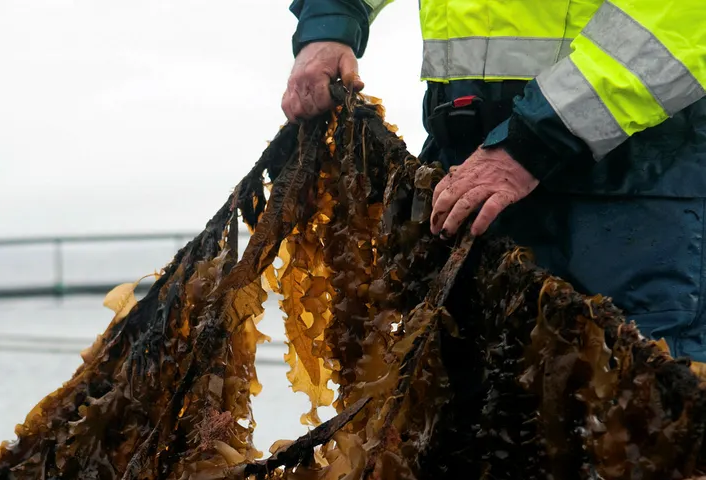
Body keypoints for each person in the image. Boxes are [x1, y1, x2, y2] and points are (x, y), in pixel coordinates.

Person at [282, 0, 706, 362]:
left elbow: (682, 19)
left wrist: (542, 134)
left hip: (637, 185)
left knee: (638, 416)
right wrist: (332, 19)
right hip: (466, 165)